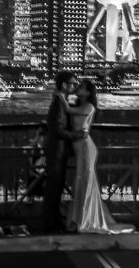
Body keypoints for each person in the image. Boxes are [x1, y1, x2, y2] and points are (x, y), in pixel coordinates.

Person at [55, 79, 134, 234]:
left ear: (89, 92)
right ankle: (80, 218)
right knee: (81, 181)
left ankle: (83, 219)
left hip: (85, 146)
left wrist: (60, 95)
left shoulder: (89, 106)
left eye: (81, 88)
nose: (78, 88)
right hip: (79, 145)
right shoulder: (80, 105)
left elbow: (68, 110)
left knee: (84, 182)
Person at [43, 71, 85, 232]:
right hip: (57, 151)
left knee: (57, 187)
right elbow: (58, 130)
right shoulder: (58, 103)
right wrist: (77, 135)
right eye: (72, 83)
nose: (75, 86)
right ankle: (50, 223)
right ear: (63, 85)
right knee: (54, 188)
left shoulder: (62, 100)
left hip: (58, 150)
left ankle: (54, 221)